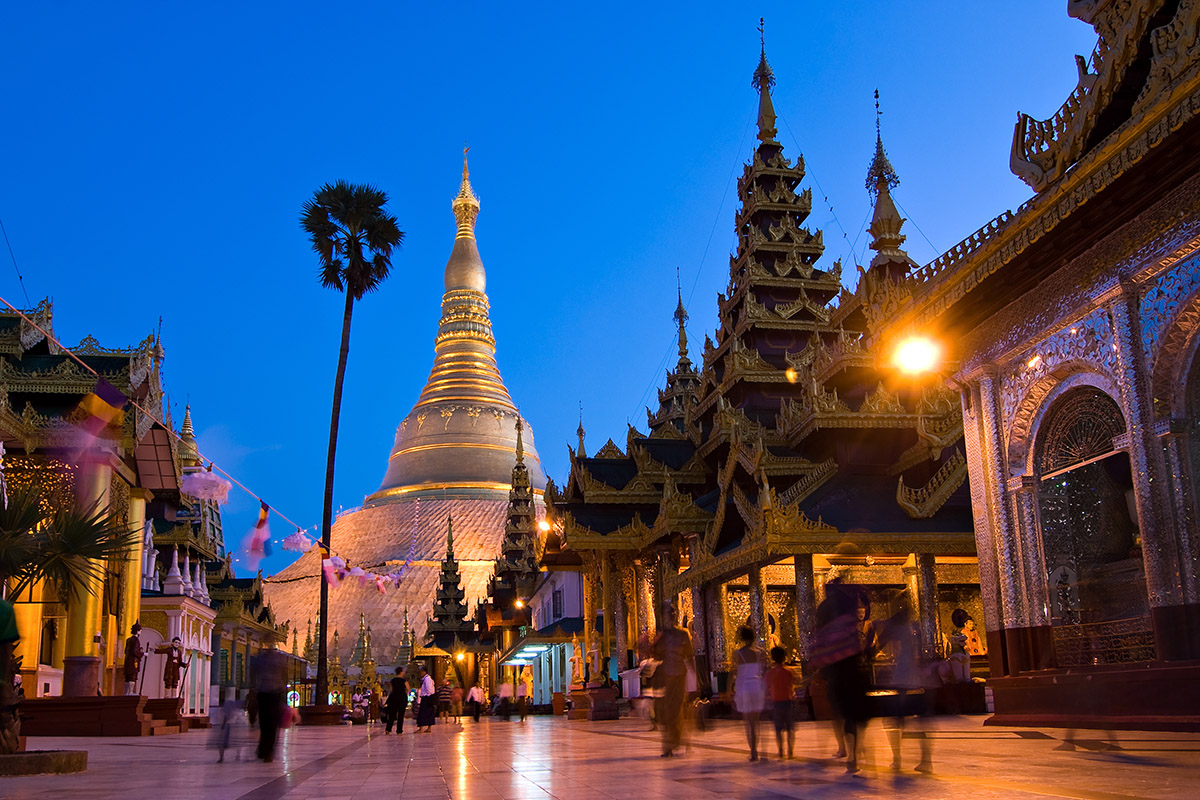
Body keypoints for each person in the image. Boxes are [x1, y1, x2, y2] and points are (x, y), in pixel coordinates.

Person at [651, 601, 694, 758]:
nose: (672, 615)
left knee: (678, 709)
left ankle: (677, 741)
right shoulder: (663, 636)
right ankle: (667, 745)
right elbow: (655, 653)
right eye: (669, 613)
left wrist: (697, 678)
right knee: (666, 711)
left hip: (679, 676)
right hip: (666, 676)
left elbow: (689, 656)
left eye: (674, 613)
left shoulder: (683, 634)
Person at [732, 625, 765, 761]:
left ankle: (753, 750)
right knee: (756, 721)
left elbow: (733, 672)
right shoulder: (760, 652)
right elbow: (763, 669)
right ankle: (757, 748)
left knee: (748, 721)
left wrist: (729, 688)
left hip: (744, 686)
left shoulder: (738, 654)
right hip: (757, 685)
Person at [250, 645, 287, 762]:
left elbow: (253, 674)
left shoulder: (266, 659)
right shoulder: (266, 659)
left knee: (269, 724)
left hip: (272, 694)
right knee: (266, 724)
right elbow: (253, 674)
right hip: (266, 694)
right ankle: (265, 750)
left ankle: (267, 750)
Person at [766, 645, 794, 760]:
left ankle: (781, 751)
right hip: (788, 702)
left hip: (776, 703)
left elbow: (767, 687)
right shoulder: (789, 671)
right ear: (784, 657)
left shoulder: (770, 673)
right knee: (790, 728)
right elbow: (793, 683)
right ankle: (790, 751)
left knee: (778, 729)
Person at [122, 622, 144, 695]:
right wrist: (143, 653)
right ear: (137, 631)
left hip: (128, 660)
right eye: (140, 631)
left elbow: (126, 650)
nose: (140, 632)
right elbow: (135, 651)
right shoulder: (136, 640)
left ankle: (126, 692)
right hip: (133, 661)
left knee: (128, 677)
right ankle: (130, 691)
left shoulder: (128, 640)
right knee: (132, 676)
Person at [385, 666, 408, 734]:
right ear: (401, 672)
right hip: (402, 699)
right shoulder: (404, 681)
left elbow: (391, 690)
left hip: (394, 699)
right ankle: (399, 730)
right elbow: (408, 689)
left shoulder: (393, 680)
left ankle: (388, 729)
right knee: (401, 715)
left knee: (392, 715)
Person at [416, 666, 437, 732]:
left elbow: (429, 689)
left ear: (425, 671)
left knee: (425, 713)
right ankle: (426, 727)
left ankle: (424, 728)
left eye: (421, 671)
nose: (420, 673)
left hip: (427, 698)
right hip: (426, 697)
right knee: (426, 712)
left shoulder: (427, 679)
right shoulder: (425, 679)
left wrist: (429, 698)